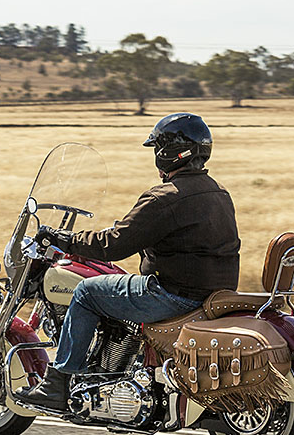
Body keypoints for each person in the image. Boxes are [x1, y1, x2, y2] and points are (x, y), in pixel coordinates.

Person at [16, 113, 241, 411]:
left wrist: (62, 239)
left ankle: (57, 385)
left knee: (85, 293)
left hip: (173, 295)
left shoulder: (165, 198)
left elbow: (113, 245)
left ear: (168, 153)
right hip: (215, 294)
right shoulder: (218, 192)